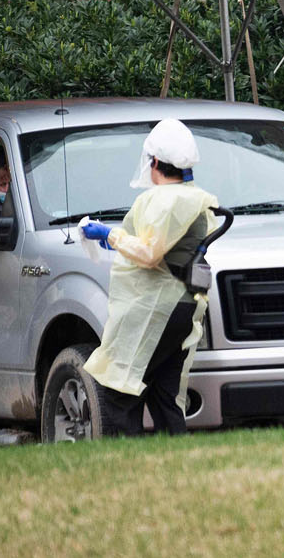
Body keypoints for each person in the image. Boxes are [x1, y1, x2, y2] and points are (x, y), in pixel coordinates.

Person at [79, 118, 218, 437]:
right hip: (183, 308)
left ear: (154, 162)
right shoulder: (193, 197)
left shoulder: (163, 199)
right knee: (164, 395)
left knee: (119, 394)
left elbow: (150, 253)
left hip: (156, 309)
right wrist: (120, 239)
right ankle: (179, 467)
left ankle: (128, 464)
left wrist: (110, 235)